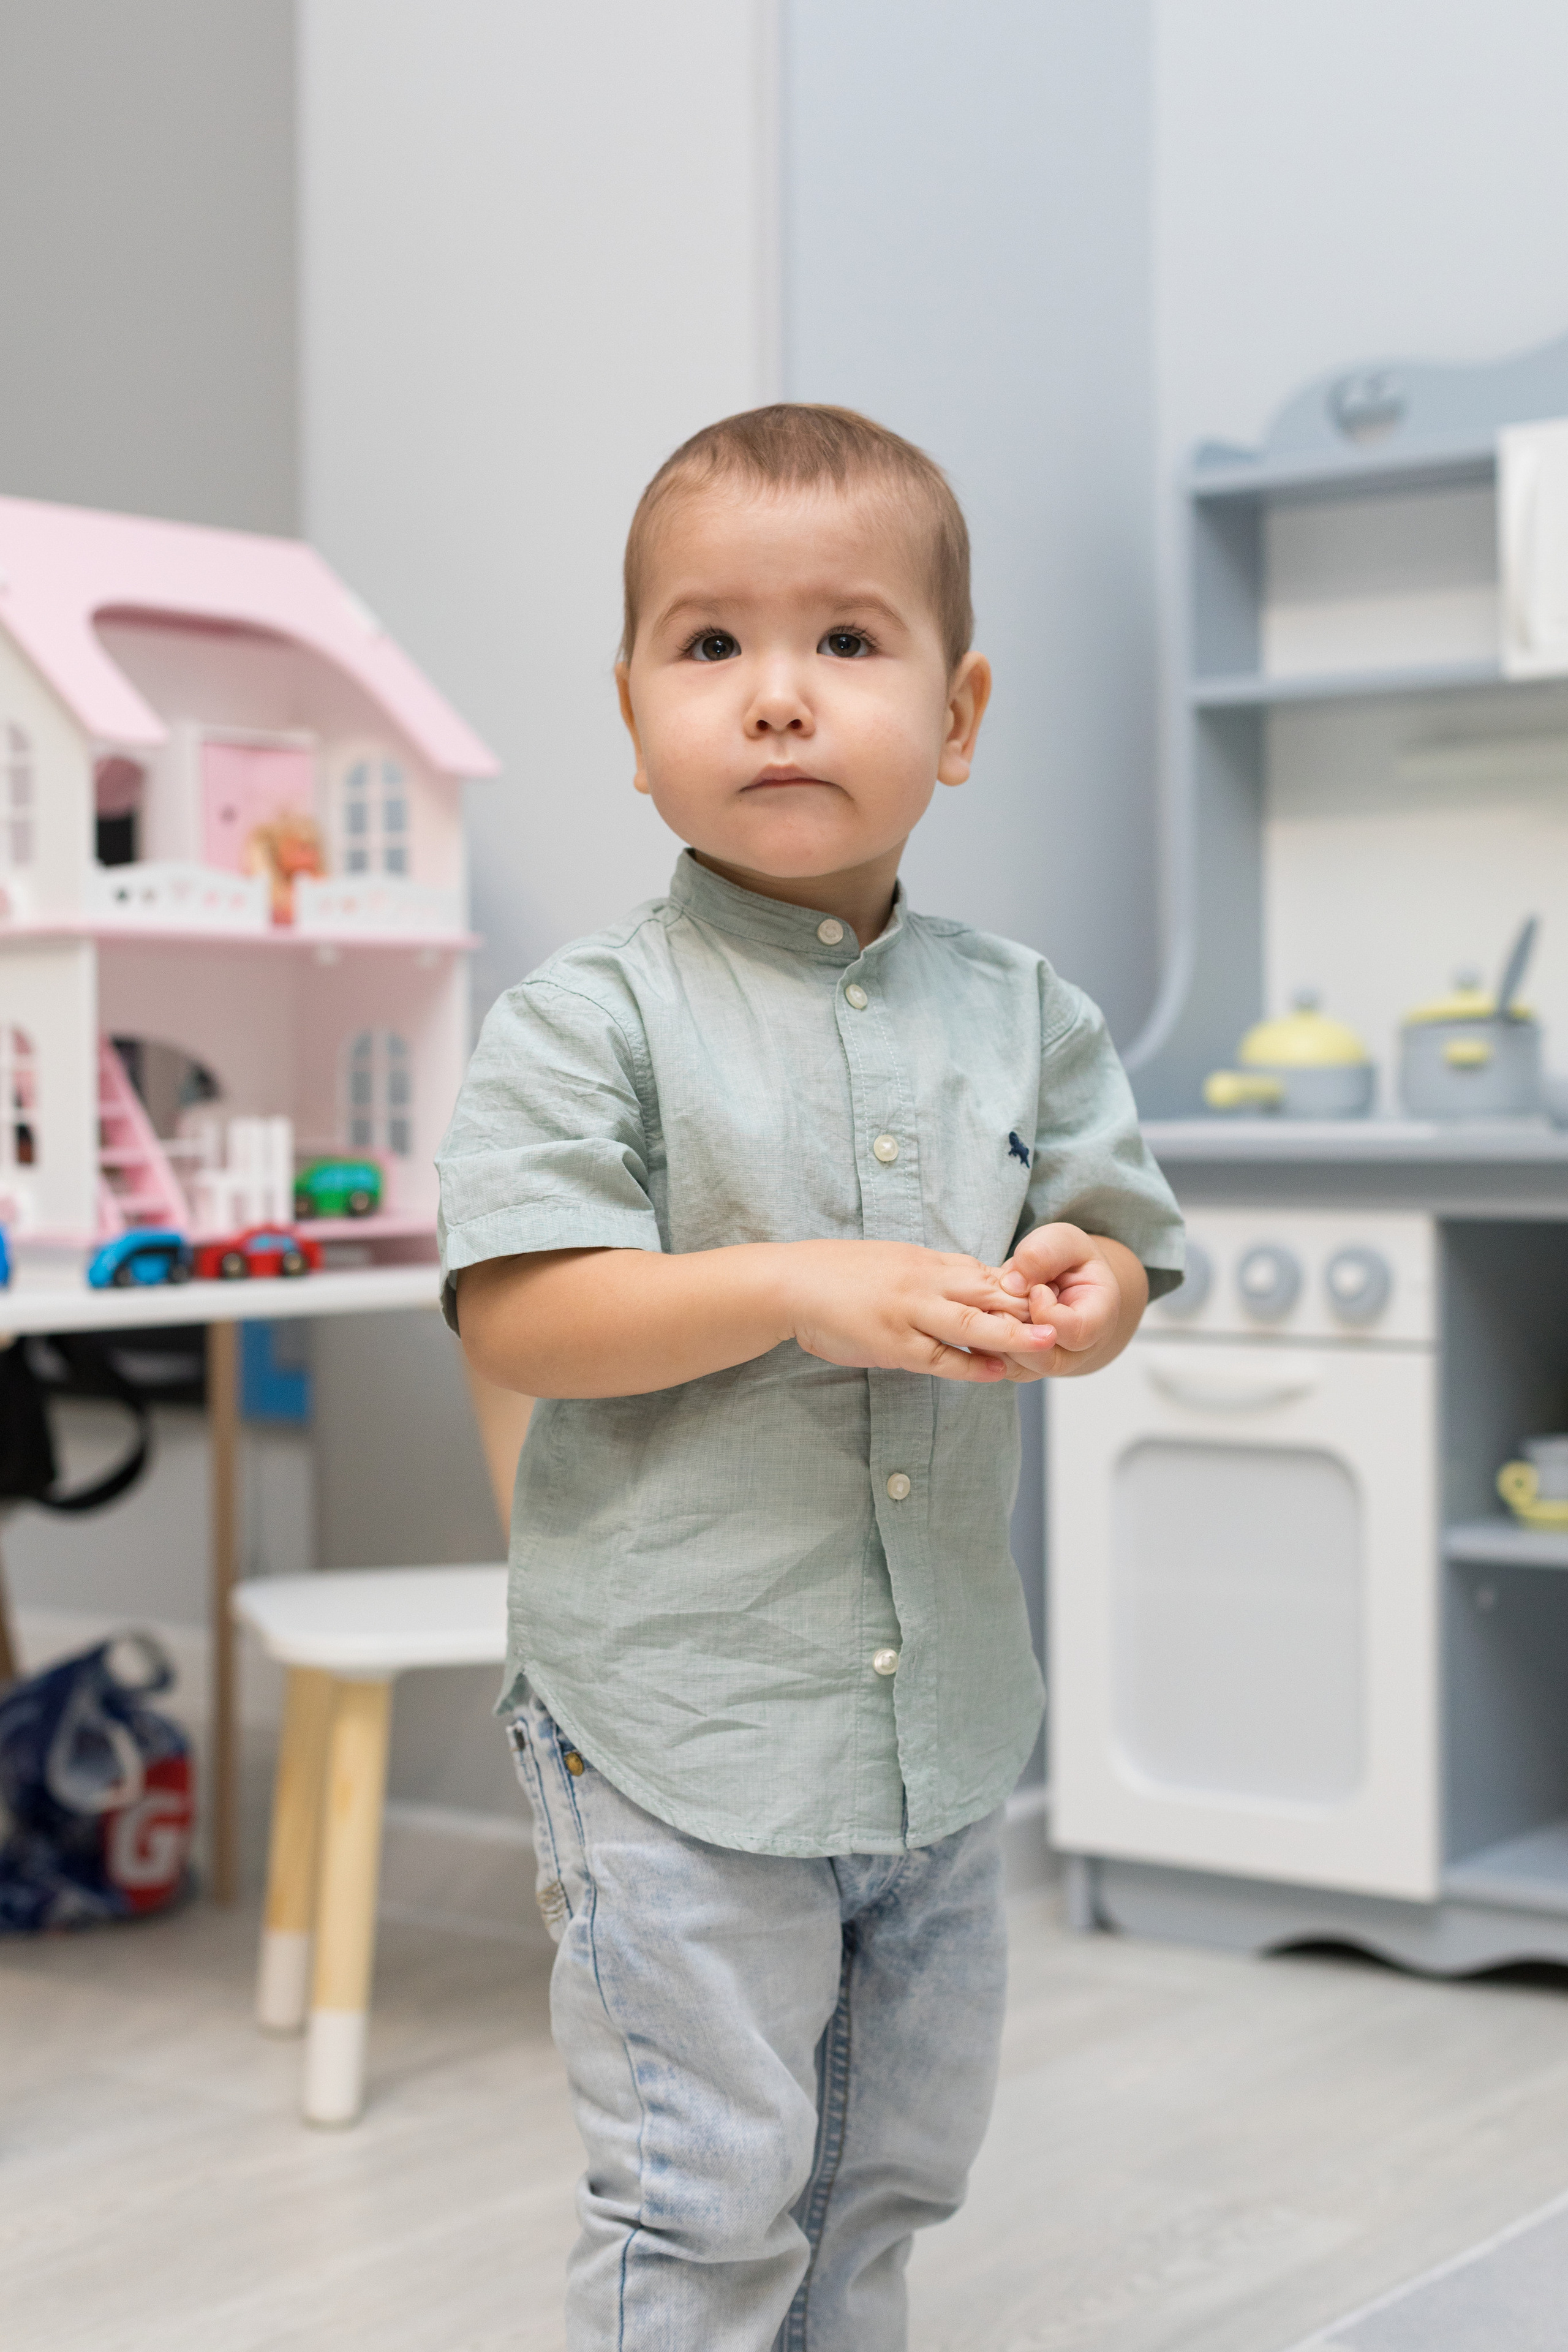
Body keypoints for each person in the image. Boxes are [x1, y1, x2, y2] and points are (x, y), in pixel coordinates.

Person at [438, 403, 1184, 2351]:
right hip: (675, 1725)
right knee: (704, 2200)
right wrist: (786, 1285)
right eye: (711, 647)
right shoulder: (586, 1016)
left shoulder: (1025, 1015)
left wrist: (1083, 1296)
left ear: (959, 711)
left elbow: (1113, 1245)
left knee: (885, 2177)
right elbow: (521, 1314)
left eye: (846, 643)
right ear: (630, 711)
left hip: (936, 1729)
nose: (777, 697)